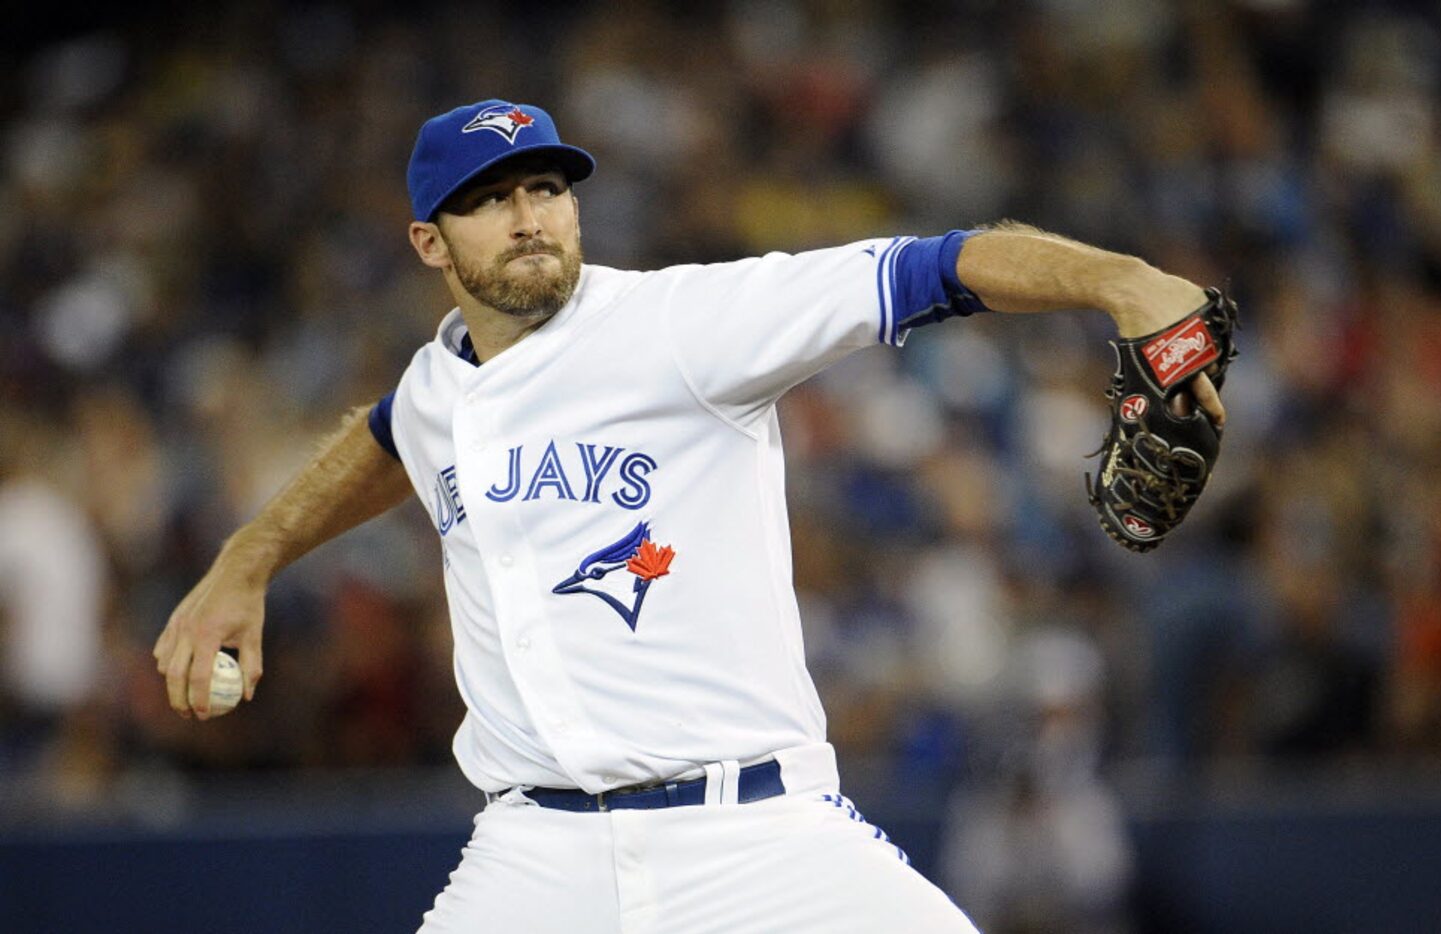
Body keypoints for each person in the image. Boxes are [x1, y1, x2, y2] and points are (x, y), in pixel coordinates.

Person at [153, 99, 1225, 932]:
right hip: (536, 853)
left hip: (756, 835)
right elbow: (389, 435)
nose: (529, 218)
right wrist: (248, 556)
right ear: (430, 243)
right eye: (491, 199)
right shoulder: (440, 388)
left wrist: (1118, 279)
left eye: (546, 187)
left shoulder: (683, 322)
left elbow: (931, 267)